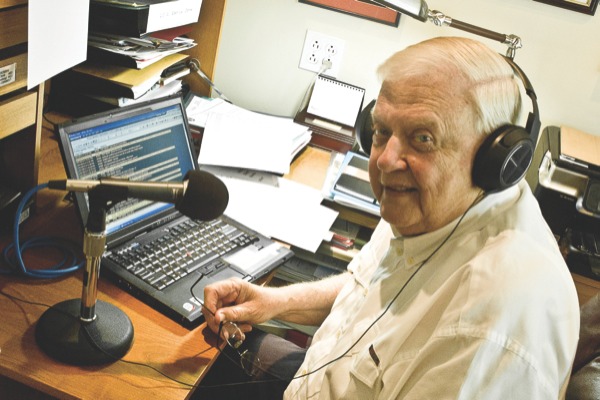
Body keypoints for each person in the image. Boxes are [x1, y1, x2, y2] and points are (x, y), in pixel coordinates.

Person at [196, 36, 580, 399]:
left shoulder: (489, 328)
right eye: (381, 131)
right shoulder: (430, 203)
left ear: (494, 160)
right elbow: (365, 288)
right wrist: (273, 302)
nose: (384, 160)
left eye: (423, 138)